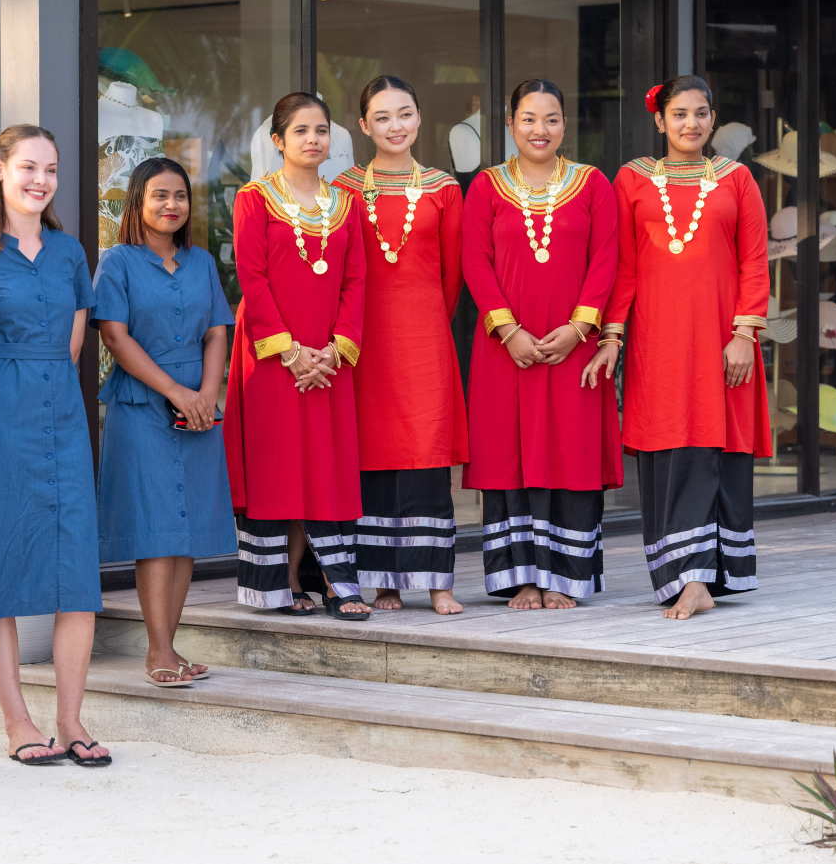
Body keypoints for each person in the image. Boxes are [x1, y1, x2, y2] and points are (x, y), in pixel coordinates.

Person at [0, 125, 111, 768]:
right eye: (28, 167)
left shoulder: (70, 254)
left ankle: (70, 721)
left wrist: (52, 399)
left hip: (65, 425)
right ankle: (17, 721)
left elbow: (73, 346)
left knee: (78, 578)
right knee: (2, 576)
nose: (41, 180)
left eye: (51, 170)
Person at [584, 75, 768, 620]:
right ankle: (684, 576)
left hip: (722, 340)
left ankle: (705, 578)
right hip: (658, 343)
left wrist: (743, 335)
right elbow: (623, 266)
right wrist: (611, 336)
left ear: (713, 119)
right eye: (680, 113)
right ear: (660, 120)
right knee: (672, 448)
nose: (691, 123)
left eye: (701, 113)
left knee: (716, 449)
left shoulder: (737, 179)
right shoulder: (632, 179)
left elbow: (754, 262)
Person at [461, 79, 621, 609]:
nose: (540, 130)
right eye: (528, 119)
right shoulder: (486, 186)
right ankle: (522, 579)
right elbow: (475, 261)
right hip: (505, 349)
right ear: (510, 124)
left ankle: (564, 579)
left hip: (574, 348)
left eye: (551, 119)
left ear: (565, 126)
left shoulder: (593, 184)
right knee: (511, 457)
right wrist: (508, 331)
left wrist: (579, 329)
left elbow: (607, 259)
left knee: (570, 455)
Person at [224, 92, 371, 620]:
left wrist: (335, 349)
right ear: (278, 141)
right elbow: (252, 277)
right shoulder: (254, 198)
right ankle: (281, 582)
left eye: (321, 130)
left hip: (329, 359)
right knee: (281, 465)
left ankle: (335, 579)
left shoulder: (347, 203)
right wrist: (289, 352)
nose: (313, 139)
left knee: (327, 465)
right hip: (272, 355)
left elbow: (356, 281)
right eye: (301, 131)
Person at [94, 158, 236, 686]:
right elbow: (115, 336)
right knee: (156, 529)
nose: (171, 205)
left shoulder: (202, 263)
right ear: (138, 201)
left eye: (179, 195)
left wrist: (206, 394)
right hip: (142, 406)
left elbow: (218, 331)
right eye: (159, 195)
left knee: (186, 530)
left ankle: (170, 646)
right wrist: (177, 392)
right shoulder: (117, 262)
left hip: (198, 408)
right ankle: (157, 650)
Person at [333, 76, 467, 615]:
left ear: (419, 117)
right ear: (364, 125)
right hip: (364, 342)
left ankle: (437, 582)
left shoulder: (443, 188)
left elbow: (452, 276)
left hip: (425, 340)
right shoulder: (342, 189)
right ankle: (382, 581)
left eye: (405, 114)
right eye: (383, 117)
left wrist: (427, 320)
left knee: (427, 454)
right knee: (372, 456)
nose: (396, 126)